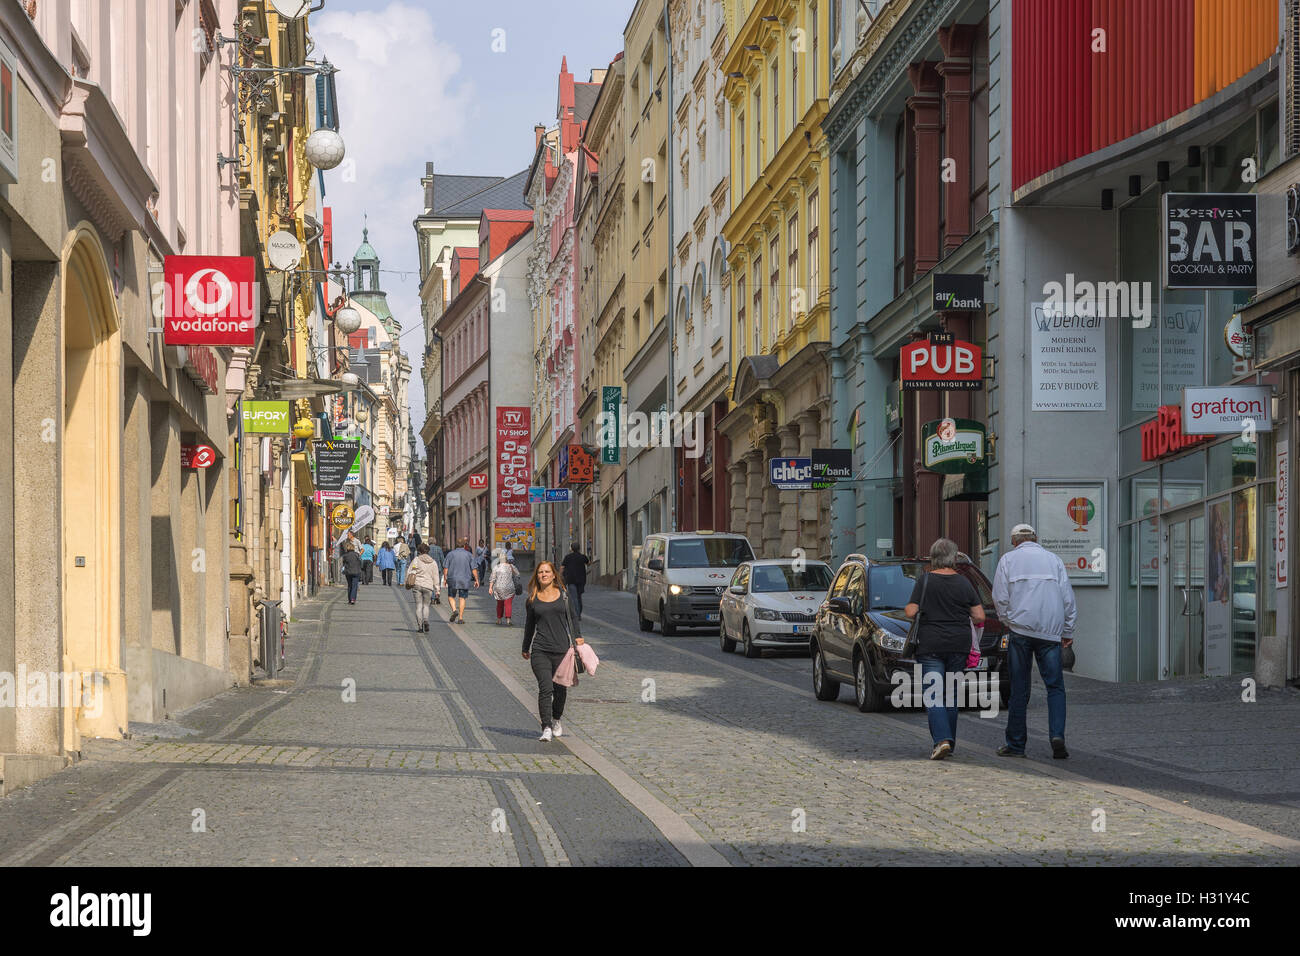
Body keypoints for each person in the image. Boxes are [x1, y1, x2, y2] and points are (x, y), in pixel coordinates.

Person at [992, 523, 1077, 759]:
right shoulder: (1054, 560)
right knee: (1055, 686)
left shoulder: (1008, 560)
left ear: (1014, 541)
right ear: (1035, 538)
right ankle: (1057, 736)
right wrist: (1067, 630)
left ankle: (1016, 744)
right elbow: (1067, 598)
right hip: (1049, 632)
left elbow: (1000, 597)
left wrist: (1007, 620)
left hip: (1020, 630)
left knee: (1019, 687)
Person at [904, 538, 985, 761]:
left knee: (933, 693)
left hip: (930, 644)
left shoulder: (925, 580)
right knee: (951, 694)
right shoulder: (964, 583)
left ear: (933, 557)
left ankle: (942, 740)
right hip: (959, 644)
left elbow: (910, 612)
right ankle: (948, 741)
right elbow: (979, 616)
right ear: (954, 557)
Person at [521, 561, 583, 742]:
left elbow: (573, 617)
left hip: (562, 650)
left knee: (560, 691)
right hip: (540, 649)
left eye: (547, 571)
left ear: (554, 575)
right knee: (545, 688)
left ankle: (556, 719)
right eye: (540, 572)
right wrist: (526, 647)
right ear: (537, 576)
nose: (544, 574)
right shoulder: (532, 598)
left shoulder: (564, 596)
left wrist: (578, 636)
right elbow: (529, 625)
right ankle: (546, 727)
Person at [442, 537, 479, 624]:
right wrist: (476, 579)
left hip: (452, 579)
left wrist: (445, 578)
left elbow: (446, 567)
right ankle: (461, 618)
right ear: (464, 545)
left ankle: (455, 610)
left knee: (451, 596)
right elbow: (474, 568)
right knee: (462, 598)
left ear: (456, 544)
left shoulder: (450, 554)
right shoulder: (469, 555)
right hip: (464, 579)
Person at [406, 543, 441, 632]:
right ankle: (426, 620)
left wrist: (407, 581)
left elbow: (410, 571)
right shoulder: (433, 562)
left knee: (418, 606)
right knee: (426, 606)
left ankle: (420, 627)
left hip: (417, 585)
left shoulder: (416, 560)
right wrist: (437, 589)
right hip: (428, 586)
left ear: (419, 551)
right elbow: (436, 576)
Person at [488, 549, 521, 625]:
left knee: (499, 604)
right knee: (508, 603)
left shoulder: (496, 567)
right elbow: (518, 575)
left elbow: (492, 578)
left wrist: (490, 588)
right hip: (509, 587)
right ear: (506, 559)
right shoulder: (511, 566)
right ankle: (508, 620)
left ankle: (499, 620)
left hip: (498, 588)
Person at [560, 542, 590, 619]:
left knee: (574, 597)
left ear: (571, 548)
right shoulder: (583, 557)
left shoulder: (568, 557)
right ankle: (578, 613)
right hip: (581, 580)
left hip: (571, 580)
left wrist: (560, 576)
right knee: (579, 596)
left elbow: (562, 567)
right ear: (579, 548)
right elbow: (588, 563)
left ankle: (577, 615)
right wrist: (587, 571)